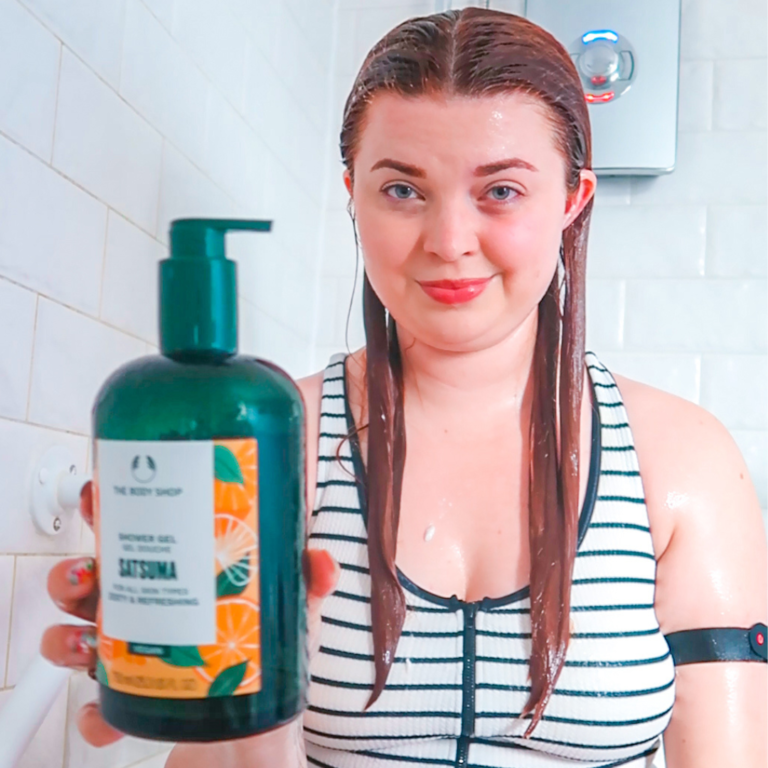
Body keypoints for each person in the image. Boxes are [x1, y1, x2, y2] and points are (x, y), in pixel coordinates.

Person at [41, 8, 766, 768]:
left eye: (502, 191)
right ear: (353, 193)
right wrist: (229, 715)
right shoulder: (263, 448)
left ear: (572, 200)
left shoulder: (681, 464)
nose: (449, 241)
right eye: (402, 191)